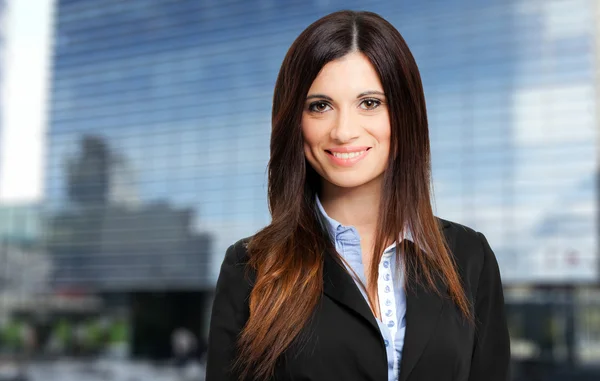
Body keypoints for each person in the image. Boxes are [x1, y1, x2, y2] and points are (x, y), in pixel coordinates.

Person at [206, 10, 510, 381]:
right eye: (320, 106)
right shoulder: (249, 267)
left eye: (370, 103)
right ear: (294, 122)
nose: (344, 131)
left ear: (404, 115)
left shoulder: (469, 256)